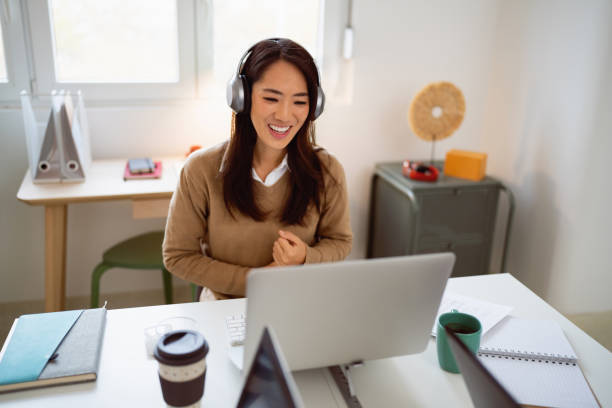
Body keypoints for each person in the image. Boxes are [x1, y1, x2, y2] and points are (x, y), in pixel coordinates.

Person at [163, 38, 352, 301]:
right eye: (271, 98)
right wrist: (259, 280)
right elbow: (178, 256)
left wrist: (305, 257)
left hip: (297, 301)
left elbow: (340, 242)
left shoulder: (328, 170)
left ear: (314, 107)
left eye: (300, 101)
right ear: (242, 97)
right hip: (223, 304)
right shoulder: (200, 169)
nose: (285, 115)